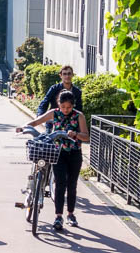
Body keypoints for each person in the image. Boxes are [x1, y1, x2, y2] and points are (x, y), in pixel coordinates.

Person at [16, 90, 89, 230]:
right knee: (60, 184)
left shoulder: (79, 116)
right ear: (58, 104)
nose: (66, 110)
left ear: (73, 105)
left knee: (72, 185)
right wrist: (24, 126)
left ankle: (71, 214)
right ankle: (58, 216)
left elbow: (86, 137)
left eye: (69, 107)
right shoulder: (54, 113)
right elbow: (37, 121)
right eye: (63, 107)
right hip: (58, 153)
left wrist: (76, 134)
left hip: (74, 153)